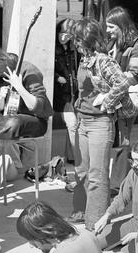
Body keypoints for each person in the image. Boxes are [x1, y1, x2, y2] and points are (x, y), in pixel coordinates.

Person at [69, 18, 132, 229]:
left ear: (88, 39)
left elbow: (123, 83)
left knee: (97, 175)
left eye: (78, 40)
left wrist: (107, 99)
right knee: (83, 171)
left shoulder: (104, 60)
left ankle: (95, 224)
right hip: (82, 120)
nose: (75, 44)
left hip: (99, 123)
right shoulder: (85, 59)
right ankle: (84, 213)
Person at [0, 47, 52, 195]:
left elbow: (38, 106)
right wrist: (1, 97)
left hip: (33, 122)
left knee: (13, 123)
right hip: (4, 123)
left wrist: (19, 86)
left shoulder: (29, 71)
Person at [94, 136, 138, 249]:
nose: (134, 164)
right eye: (133, 160)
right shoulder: (134, 173)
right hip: (137, 221)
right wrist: (107, 215)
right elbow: (122, 198)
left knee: (130, 252)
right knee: (94, 240)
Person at [106, 6, 138, 146]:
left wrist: (112, 81)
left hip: (126, 103)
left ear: (121, 25)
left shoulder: (137, 45)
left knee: (123, 142)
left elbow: (136, 75)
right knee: (110, 141)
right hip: (111, 99)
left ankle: (122, 167)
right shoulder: (111, 42)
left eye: (111, 26)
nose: (107, 30)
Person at [54, 18, 79, 165]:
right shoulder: (51, 47)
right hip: (61, 93)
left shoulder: (73, 49)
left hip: (73, 92)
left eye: (69, 34)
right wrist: (57, 78)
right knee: (72, 124)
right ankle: (77, 158)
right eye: (63, 32)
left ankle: (71, 156)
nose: (65, 36)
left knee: (73, 126)